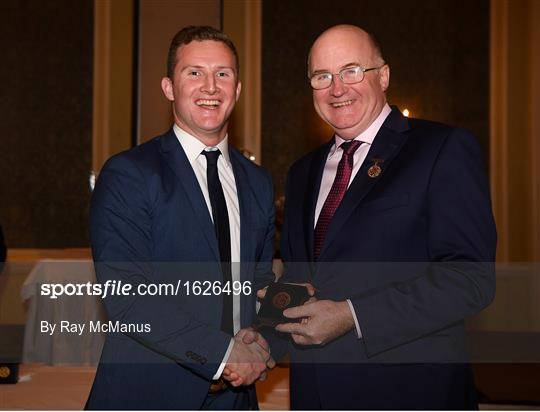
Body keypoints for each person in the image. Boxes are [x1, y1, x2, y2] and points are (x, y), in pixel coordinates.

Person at [269, 24, 496, 409]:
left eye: (352, 70)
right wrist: (264, 326)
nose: (337, 88)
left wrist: (352, 316)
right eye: (322, 76)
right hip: (316, 393)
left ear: (384, 76)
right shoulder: (302, 172)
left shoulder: (440, 149)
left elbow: (470, 278)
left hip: (408, 392)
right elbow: (302, 277)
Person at [86, 26, 275, 410]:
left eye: (223, 74)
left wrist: (265, 338)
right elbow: (128, 295)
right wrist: (225, 353)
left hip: (237, 398)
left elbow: (259, 281)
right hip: (149, 394)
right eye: (194, 73)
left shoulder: (258, 183)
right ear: (169, 87)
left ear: (237, 89)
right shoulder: (130, 173)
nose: (210, 86)